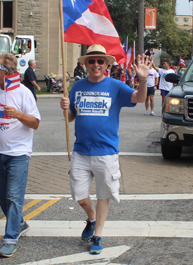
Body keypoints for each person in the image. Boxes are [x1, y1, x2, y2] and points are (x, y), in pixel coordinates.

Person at [59, 44, 150, 254]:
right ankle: (91, 219)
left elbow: (140, 98)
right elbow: (72, 117)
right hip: (81, 151)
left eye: (100, 61)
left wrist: (143, 80)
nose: (96, 64)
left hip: (106, 152)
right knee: (79, 196)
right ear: (86, 64)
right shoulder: (77, 86)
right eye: (92, 61)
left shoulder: (116, 86)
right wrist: (65, 109)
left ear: (107, 64)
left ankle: (98, 235)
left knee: (103, 195)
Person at [0, 52, 40, 257]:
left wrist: (18, 114)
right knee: (3, 197)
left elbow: (36, 123)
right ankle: (20, 223)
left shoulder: (24, 93)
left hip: (18, 154)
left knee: (14, 197)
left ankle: (10, 238)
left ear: (6, 72)